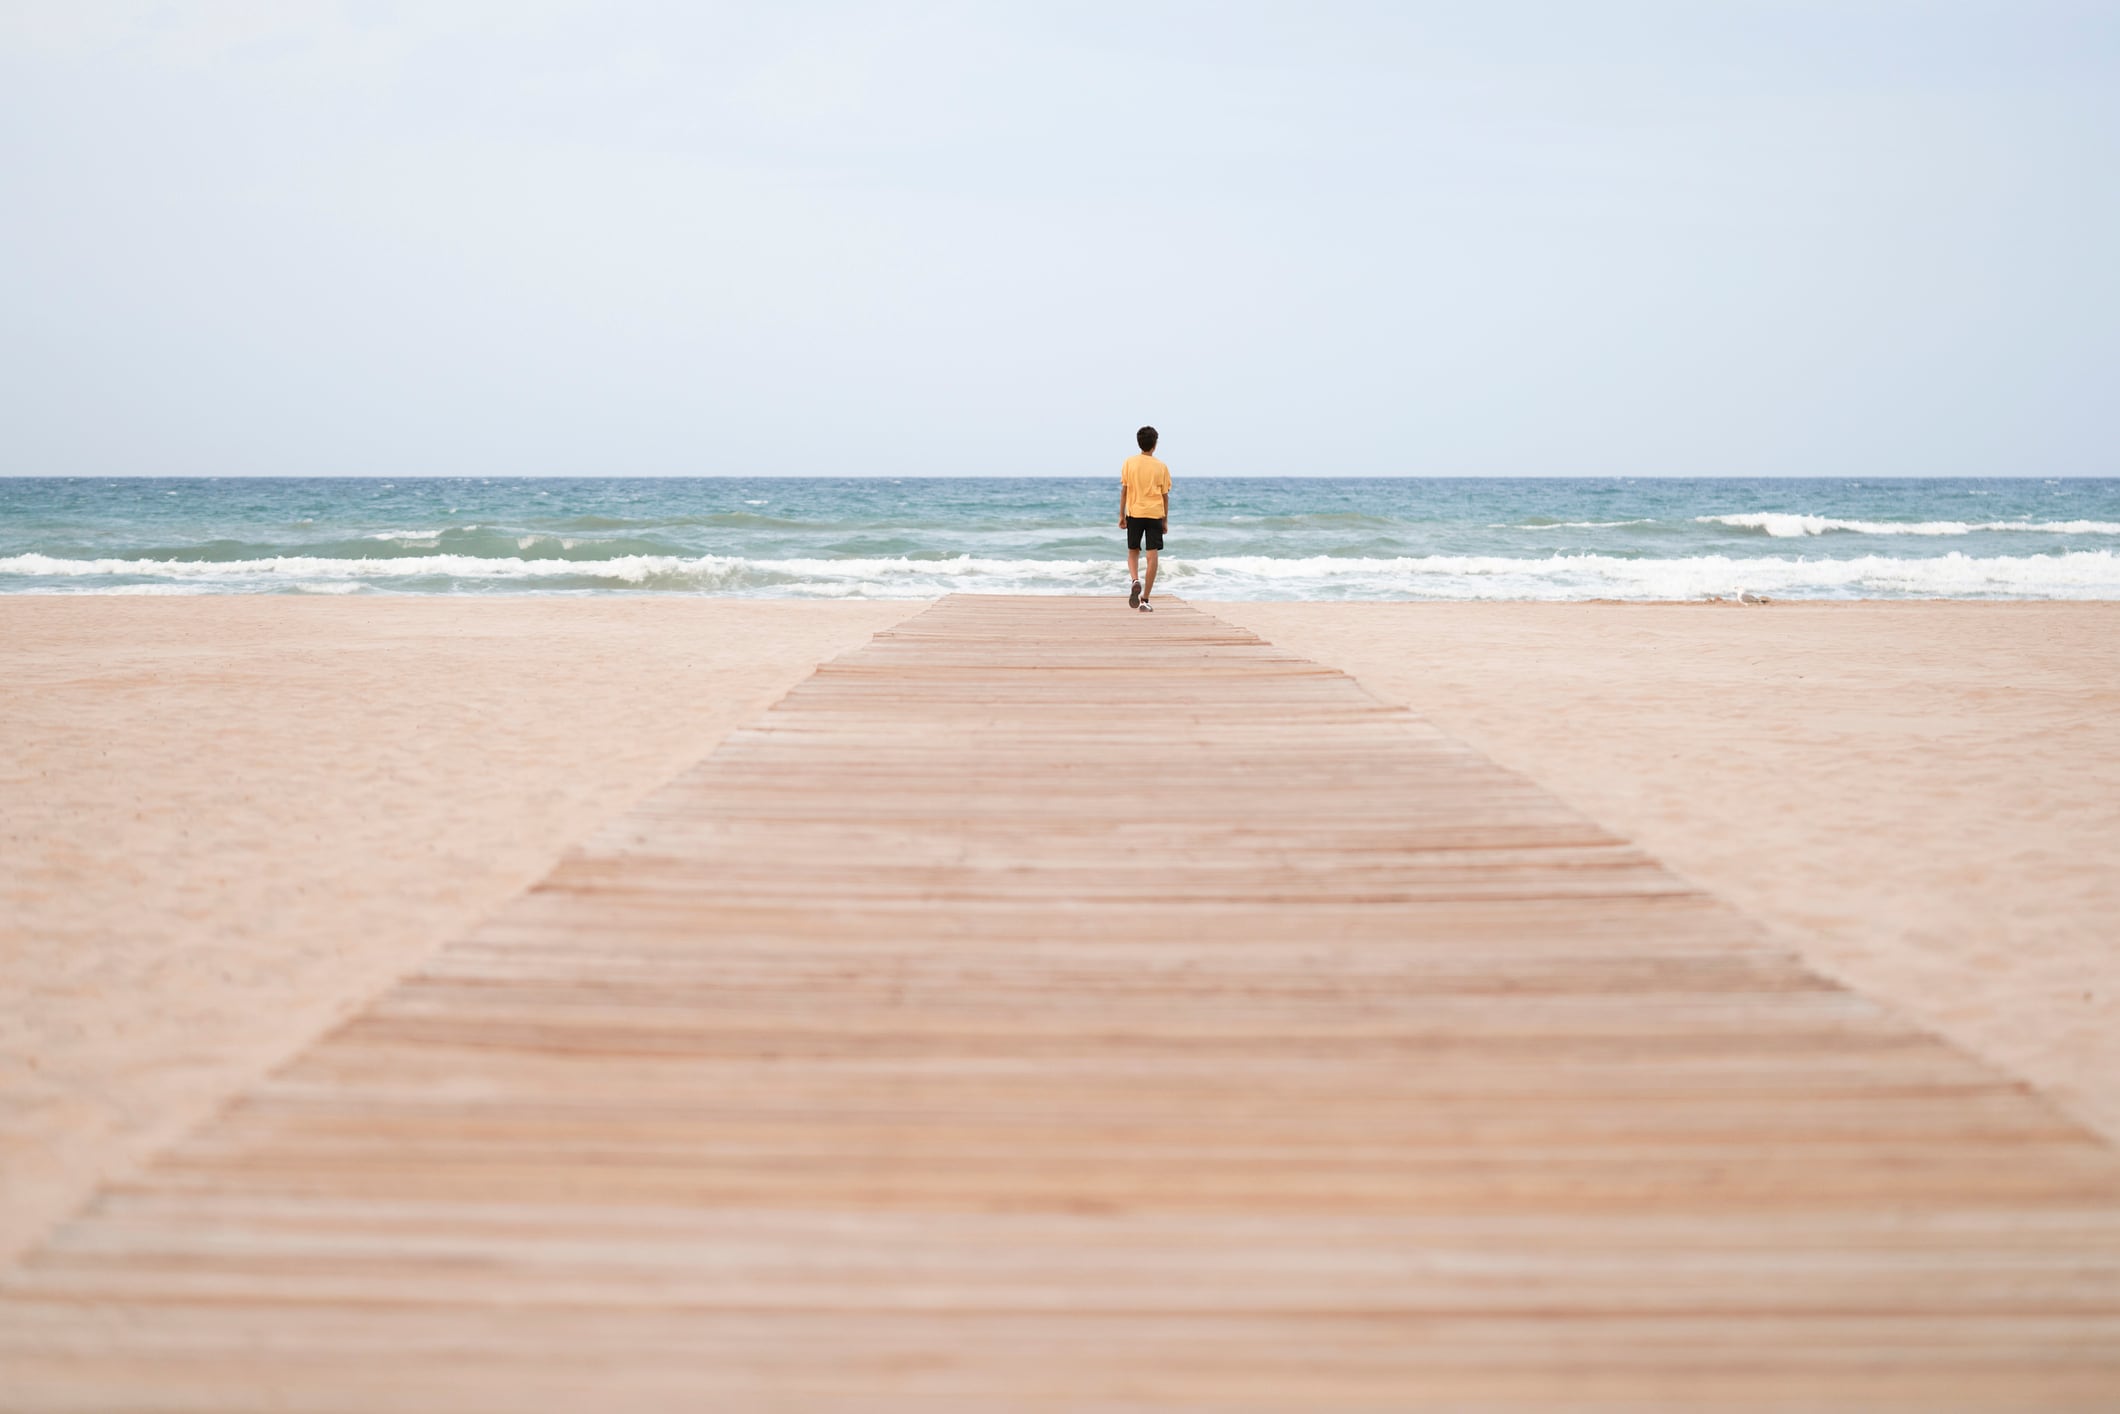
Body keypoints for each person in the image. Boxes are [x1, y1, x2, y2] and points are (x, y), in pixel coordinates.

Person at [1119, 426, 1171, 611]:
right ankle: (1145, 600)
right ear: (1155, 445)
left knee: (1133, 551)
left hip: (1134, 513)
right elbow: (1165, 495)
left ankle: (1135, 579)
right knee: (1152, 555)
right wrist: (1165, 520)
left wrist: (1121, 515)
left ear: (1139, 443)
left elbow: (1124, 491)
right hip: (1155, 513)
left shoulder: (1129, 463)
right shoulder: (1161, 466)